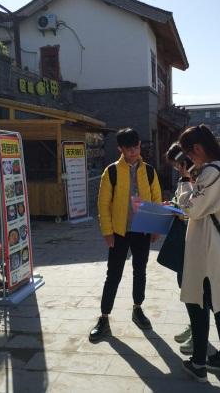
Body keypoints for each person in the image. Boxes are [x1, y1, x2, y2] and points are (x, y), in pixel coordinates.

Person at [177, 124, 220, 383]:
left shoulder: (211, 172)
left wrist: (184, 182)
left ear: (198, 148)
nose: (189, 159)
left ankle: (199, 363)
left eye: (189, 154)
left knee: (198, 302)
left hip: (206, 246)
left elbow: (191, 209)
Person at [89, 128, 162, 341]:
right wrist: (107, 232)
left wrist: (155, 227)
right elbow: (103, 204)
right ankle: (104, 318)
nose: (134, 152)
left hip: (142, 230)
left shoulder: (149, 171)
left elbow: (156, 199)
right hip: (119, 232)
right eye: (129, 149)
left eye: (136, 147)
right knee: (113, 275)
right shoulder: (111, 171)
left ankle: (138, 309)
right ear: (120, 149)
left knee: (140, 271)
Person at [164, 143, 193, 354]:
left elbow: (193, 210)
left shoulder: (200, 178)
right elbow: (182, 203)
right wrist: (172, 205)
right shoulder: (186, 178)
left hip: (196, 242)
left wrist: (183, 214)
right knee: (185, 285)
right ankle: (194, 324)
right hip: (183, 240)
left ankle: (199, 332)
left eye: (177, 164)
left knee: (196, 291)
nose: (177, 168)